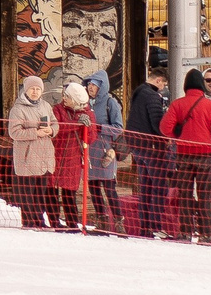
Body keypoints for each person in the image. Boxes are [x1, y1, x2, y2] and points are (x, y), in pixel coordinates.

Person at [162, 68, 211, 241]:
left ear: (185, 85)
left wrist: (178, 135)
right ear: (202, 85)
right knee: (205, 195)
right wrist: (209, 134)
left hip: (183, 155)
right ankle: (207, 234)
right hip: (205, 155)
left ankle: (185, 232)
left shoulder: (177, 104)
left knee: (185, 194)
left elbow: (164, 128)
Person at [128, 57, 174, 237]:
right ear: (158, 80)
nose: (163, 88)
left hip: (137, 146)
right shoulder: (152, 96)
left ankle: (145, 226)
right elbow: (157, 124)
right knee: (159, 187)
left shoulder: (138, 92)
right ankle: (156, 226)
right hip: (152, 147)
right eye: (163, 85)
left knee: (145, 186)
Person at [8, 74, 60, 228]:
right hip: (27, 156)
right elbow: (14, 132)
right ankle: (29, 221)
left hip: (44, 155)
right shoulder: (18, 109)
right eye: (32, 89)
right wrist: (35, 133)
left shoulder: (46, 106)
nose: (35, 92)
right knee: (27, 192)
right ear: (26, 90)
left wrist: (51, 130)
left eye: (38, 89)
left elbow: (56, 124)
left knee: (39, 192)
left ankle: (39, 219)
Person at [82, 69, 124, 234]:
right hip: (90, 152)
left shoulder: (110, 103)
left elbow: (118, 128)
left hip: (106, 152)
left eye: (93, 85)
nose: (90, 88)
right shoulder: (86, 103)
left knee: (109, 189)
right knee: (94, 189)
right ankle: (102, 221)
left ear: (102, 86)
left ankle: (119, 222)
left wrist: (100, 128)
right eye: (89, 84)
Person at [52, 80, 94, 231]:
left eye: (68, 96)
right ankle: (54, 220)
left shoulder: (88, 114)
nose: (64, 98)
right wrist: (76, 124)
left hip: (73, 158)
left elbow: (90, 138)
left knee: (69, 193)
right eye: (64, 95)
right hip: (56, 154)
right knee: (52, 190)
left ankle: (72, 223)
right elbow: (56, 128)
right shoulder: (57, 109)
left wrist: (86, 127)